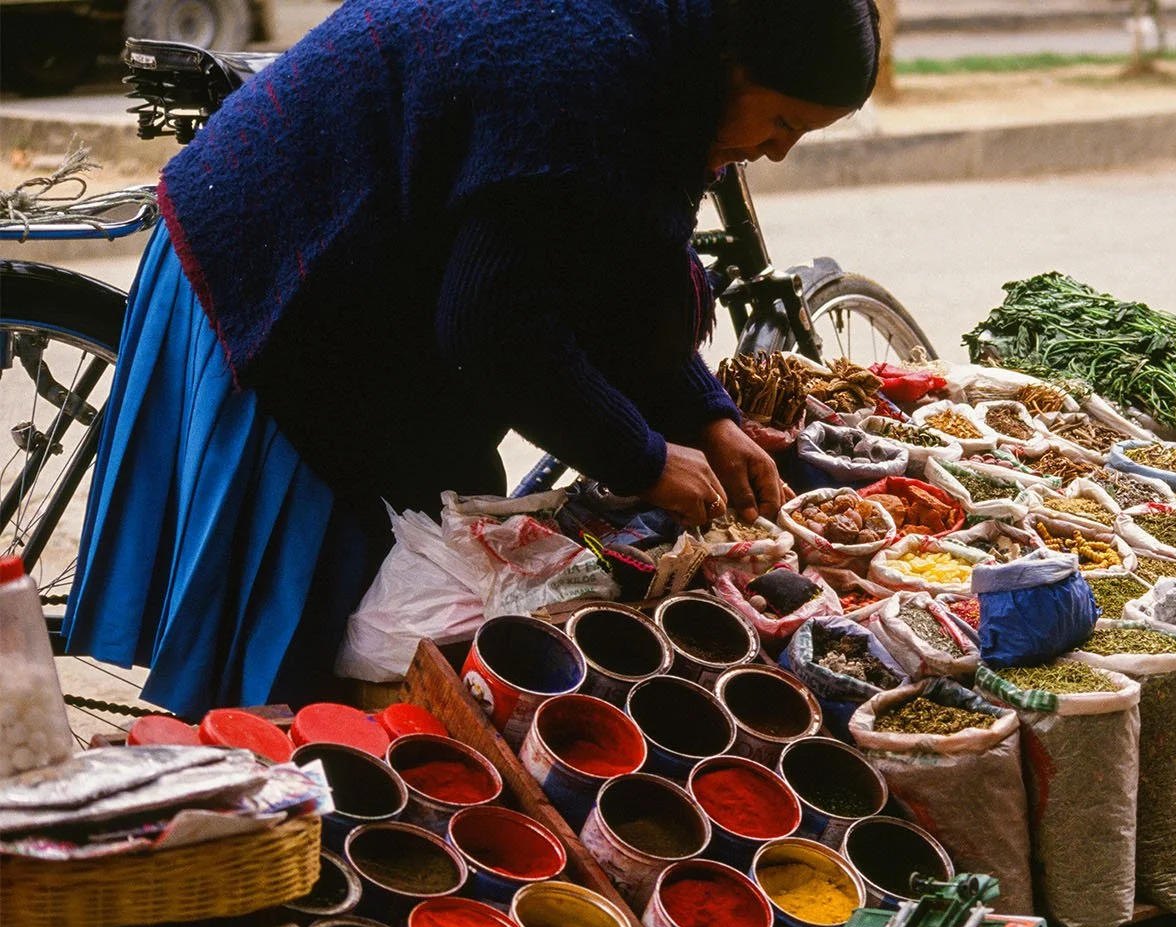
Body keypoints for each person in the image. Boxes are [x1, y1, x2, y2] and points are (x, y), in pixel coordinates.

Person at [64, 0, 881, 715]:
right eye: (780, 126)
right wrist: (638, 458)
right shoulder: (586, 78)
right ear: (735, 66)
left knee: (403, 555)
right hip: (280, 268)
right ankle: (241, 820)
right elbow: (495, 328)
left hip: (380, 270)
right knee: (289, 655)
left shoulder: (667, 65)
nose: (776, 154)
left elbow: (620, 277)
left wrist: (708, 419)